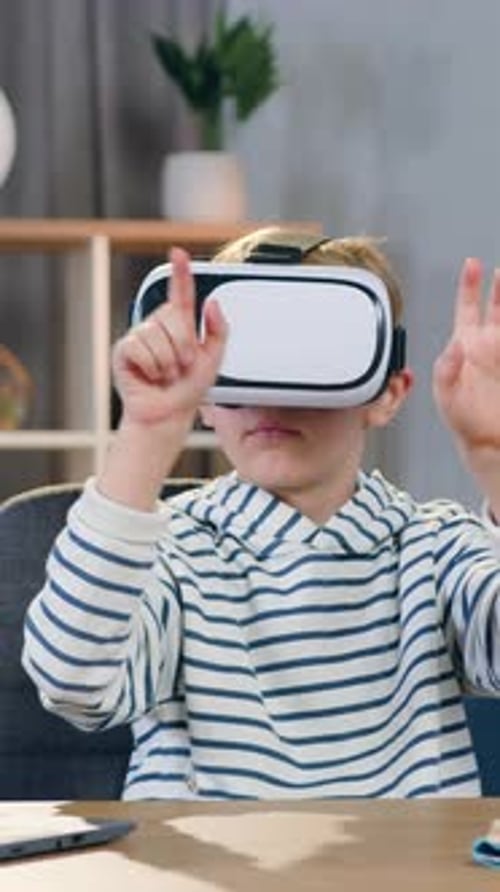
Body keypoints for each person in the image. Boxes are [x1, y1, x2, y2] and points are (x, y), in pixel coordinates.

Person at [22, 226, 500, 800]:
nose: (270, 399)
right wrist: (147, 430)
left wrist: (493, 457)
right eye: (242, 365)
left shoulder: (436, 548)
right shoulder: (171, 555)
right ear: (206, 400)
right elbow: (71, 680)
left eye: (311, 363)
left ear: (388, 391)